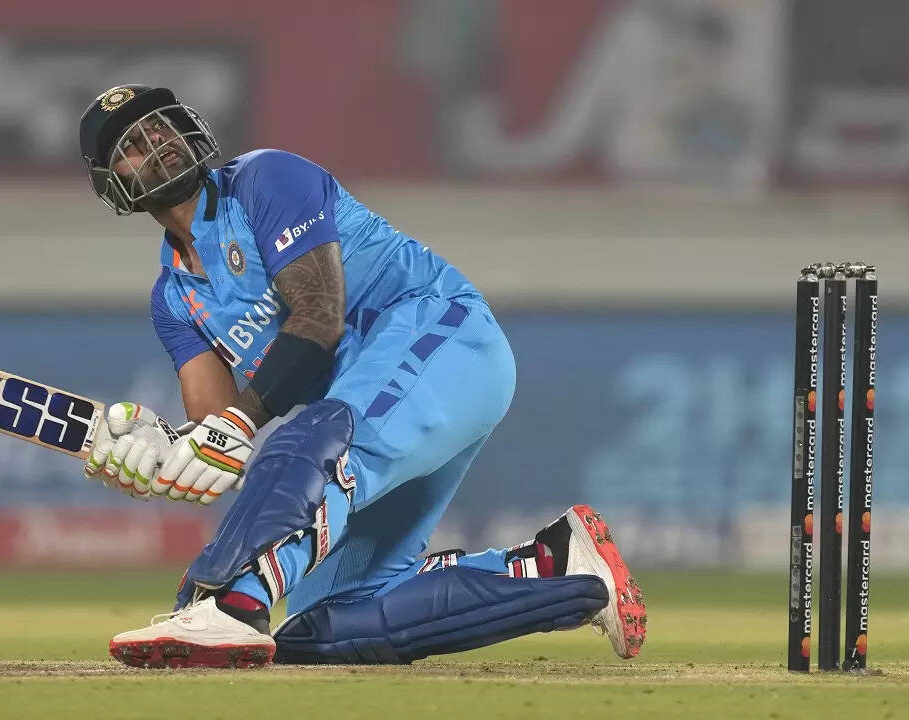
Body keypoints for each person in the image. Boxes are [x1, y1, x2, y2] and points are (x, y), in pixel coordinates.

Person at [76, 84, 646, 668]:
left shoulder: (265, 179)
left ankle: (227, 603)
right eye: (133, 143)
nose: (158, 140)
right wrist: (163, 452)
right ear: (111, 183)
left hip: (445, 338)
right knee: (325, 626)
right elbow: (218, 431)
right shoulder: (173, 300)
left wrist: (233, 427)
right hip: (372, 417)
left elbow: (318, 318)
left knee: (313, 437)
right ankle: (559, 567)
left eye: (161, 124)